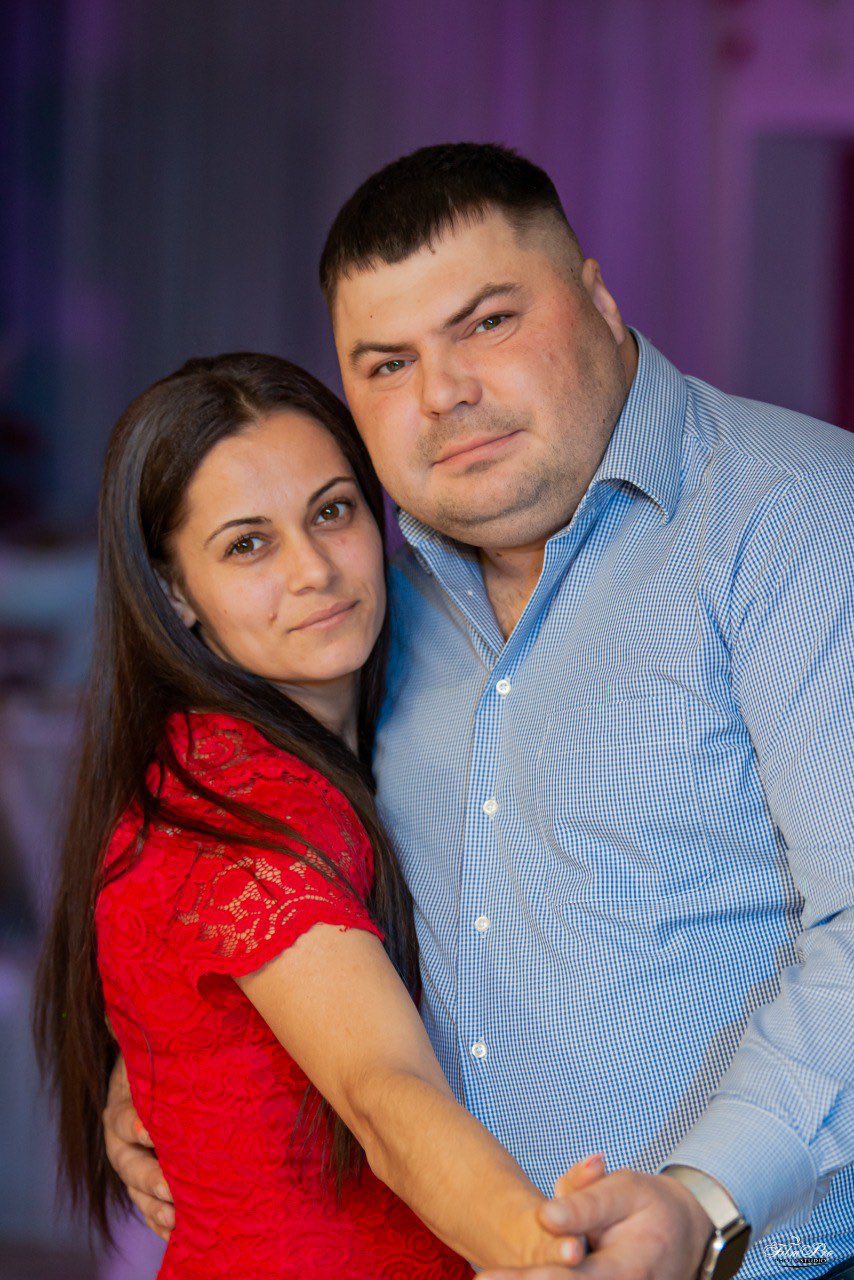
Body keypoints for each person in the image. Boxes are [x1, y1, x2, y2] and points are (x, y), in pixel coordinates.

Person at [104, 144, 853, 1280]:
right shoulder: (371, 599)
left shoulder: (794, 516)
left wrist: (701, 1202)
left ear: (597, 298)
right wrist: (176, 1063)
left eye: (488, 322)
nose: (442, 393)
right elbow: (276, 890)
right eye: (387, 362)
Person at [34, 352, 606, 1279]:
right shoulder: (248, 803)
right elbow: (383, 1090)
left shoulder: (223, 751)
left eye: (332, 512)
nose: (314, 572)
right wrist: (553, 1253)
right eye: (247, 546)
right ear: (174, 591)